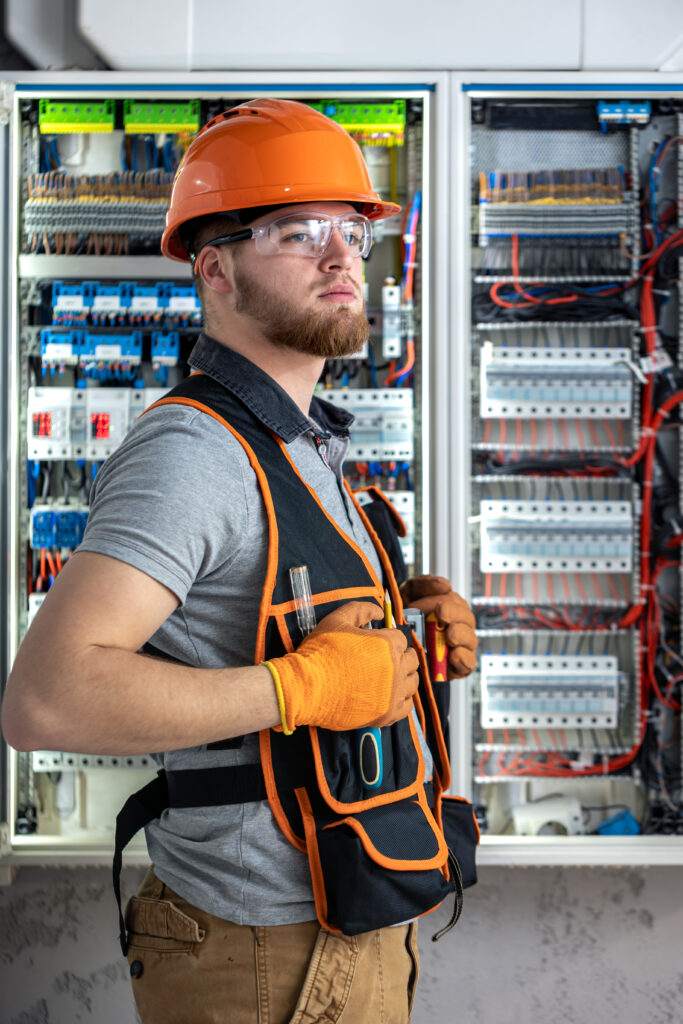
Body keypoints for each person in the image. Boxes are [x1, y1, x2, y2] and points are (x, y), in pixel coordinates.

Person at [1, 98, 477, 1024]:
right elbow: (45, 699)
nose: (342, 257)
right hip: (265, 954)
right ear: (213, 268)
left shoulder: (296, 440)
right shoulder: (196, 451)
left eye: (351, 229)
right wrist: (300, 689)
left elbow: (276, 625)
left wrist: (403, 636)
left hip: (347, 915)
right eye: (298, 232)